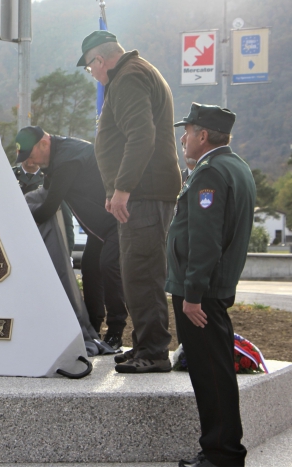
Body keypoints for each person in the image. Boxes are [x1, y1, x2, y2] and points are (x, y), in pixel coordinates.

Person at [79, 30, 182, 372]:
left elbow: (141, 135)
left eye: (90, 66)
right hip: (143, 191)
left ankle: (152, 352)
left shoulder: (128, 78)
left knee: (142, 273)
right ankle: (144, 345)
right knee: (137, 271)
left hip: (144, 192)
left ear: (100, 60)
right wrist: (115, 190)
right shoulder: (135, 72)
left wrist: (122, 188)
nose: (91, 73)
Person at [167, 103, 254, 467]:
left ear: (203, 136)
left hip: (201, 295)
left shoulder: (210, 173)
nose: (183, 138)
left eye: (187, 131)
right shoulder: (236, 167)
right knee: (214, 370)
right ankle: (222, 449)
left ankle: (221, 454)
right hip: (213, 290)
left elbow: (204, 242)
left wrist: (192, 295)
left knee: (210, 375)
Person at [15, 126, 127, 349]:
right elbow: (44, 192)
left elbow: (48, 207)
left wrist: (17, 215)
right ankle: (93, 326)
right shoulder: (55, 156)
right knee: (90, 266)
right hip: (101, 227)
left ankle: (116, 330)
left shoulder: (67, 160)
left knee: (108, 267)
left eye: (31, 154)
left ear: (44, 143)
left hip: (118, 220)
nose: (32, 161)